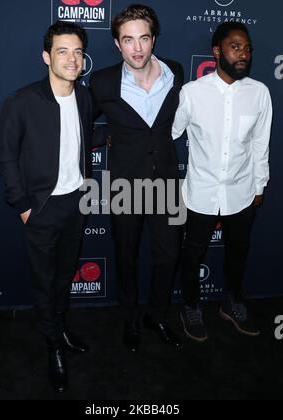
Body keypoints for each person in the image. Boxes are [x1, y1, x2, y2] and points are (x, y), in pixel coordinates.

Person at [0, 21, 93, 392]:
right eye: (62, 51)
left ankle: (60, 327)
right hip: (41, 207)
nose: (72, 59)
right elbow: (6, 158)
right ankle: (53, 344)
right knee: (44, 281)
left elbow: (79, 137)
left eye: (77, 51)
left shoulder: (83, 97)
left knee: (65, 275)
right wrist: (23, 206)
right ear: (46, 56)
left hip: (76, 205)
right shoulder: (21, 101)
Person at [89, 4, 184, 353]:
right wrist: (105, 137)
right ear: (117, 44)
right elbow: (80, 124)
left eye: (144, 38)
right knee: (125, 255)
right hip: (125, 184)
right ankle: (130, 317)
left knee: (169, 255)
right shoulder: (101, 82)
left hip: (167, 182)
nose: (138, 48)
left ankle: (156, 315)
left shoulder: (175, 72)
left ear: (153, 38)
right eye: (128, 40)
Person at [172, 22, 273, 342]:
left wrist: (259, 186)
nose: (243, 53)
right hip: (199, 193)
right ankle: (190, 306)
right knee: (192, 254)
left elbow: (261, 144)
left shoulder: (259, 93)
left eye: (247, 48)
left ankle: (233, 303)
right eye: (235, 47)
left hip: (242, 193)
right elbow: (168, 133)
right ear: (217, 51)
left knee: (238, 253)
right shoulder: (192, 93)